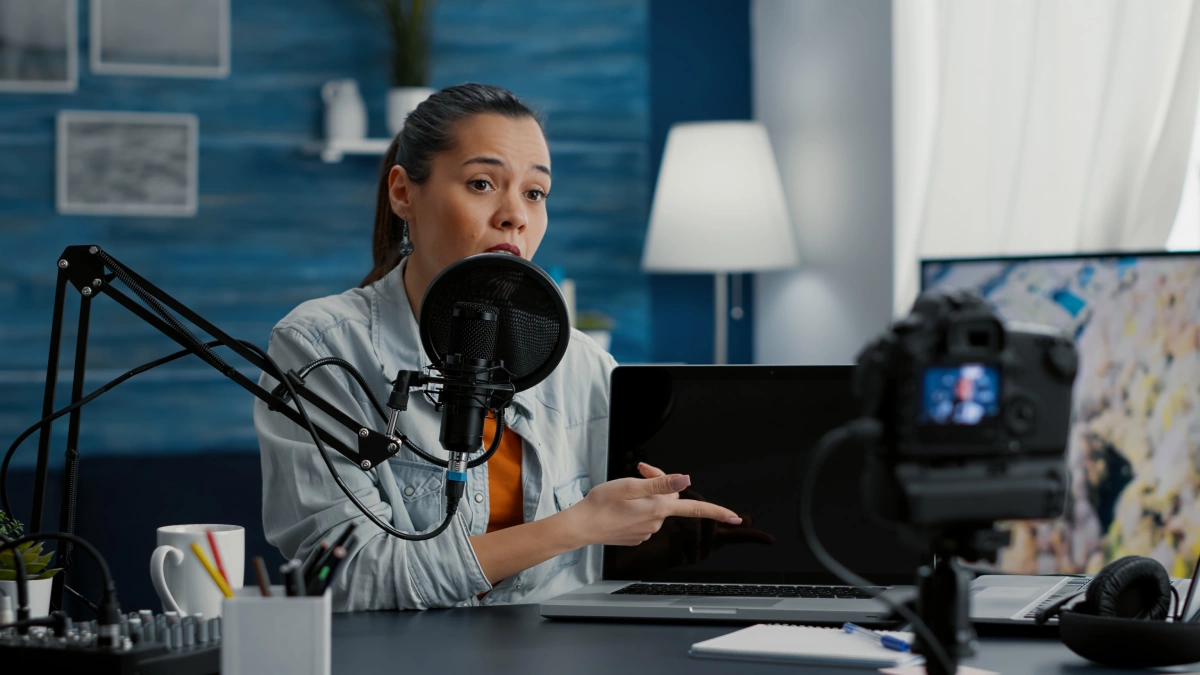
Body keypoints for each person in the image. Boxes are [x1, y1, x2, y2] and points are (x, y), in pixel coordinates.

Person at [255, 83, 742, 611]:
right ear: (403, 193)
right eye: (482, 183)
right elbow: (348, 578)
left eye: (535, 193)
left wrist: (665, 538)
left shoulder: (583, 363)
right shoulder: (320, 347)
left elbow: (602, 565)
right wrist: (575, 527)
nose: (516, 215)